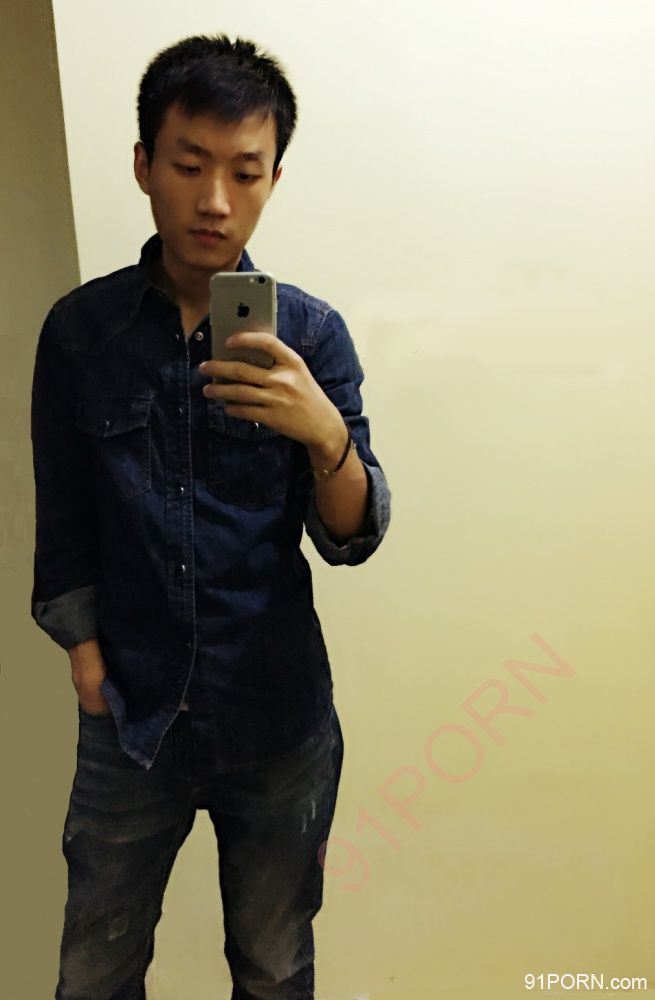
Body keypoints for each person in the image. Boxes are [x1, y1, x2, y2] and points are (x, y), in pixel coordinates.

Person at [30, 32, 391, 1000]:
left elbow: (350, 536)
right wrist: (88, 663)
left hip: (276, 715)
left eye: (245, 171)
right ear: (144, 163)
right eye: (189, 165)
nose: (216, 200)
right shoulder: (80, 332)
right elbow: (63, 517)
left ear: (275, 178)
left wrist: (324, 434)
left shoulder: (308, 334)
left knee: (273, 967)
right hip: (132, 715)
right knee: (94, 972)